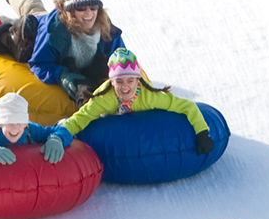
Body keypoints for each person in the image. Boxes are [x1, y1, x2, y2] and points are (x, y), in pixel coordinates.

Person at [61, 48, 215, 155]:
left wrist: (202, 133)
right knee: (82, 91)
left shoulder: (149, 96)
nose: (125, 87)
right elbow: (81, 117)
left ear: (138, 81)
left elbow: (187, 106)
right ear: (112, 82)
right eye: (119, 81)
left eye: (130, 81)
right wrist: (61, 134)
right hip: (109, 121)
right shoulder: (104, 99)